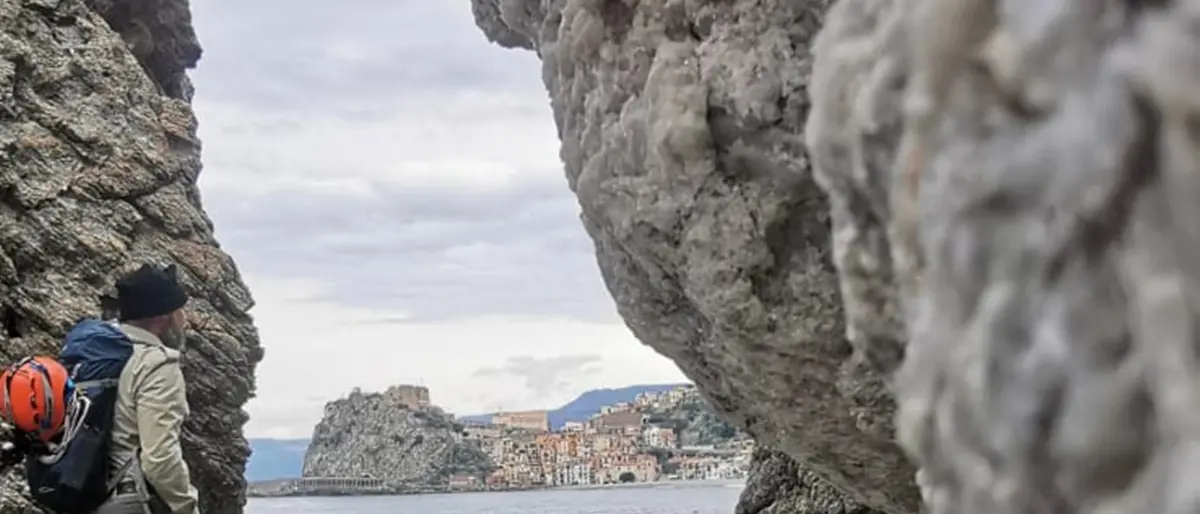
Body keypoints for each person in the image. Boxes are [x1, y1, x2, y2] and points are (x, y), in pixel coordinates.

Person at [97, 263, 200, 514]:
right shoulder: (157, 364)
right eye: (180, 311)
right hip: (128, 500)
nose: (184, 319)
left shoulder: (97, 351)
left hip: (85, 495)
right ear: (162, 317)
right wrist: (187, 507)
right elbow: (160, 459)